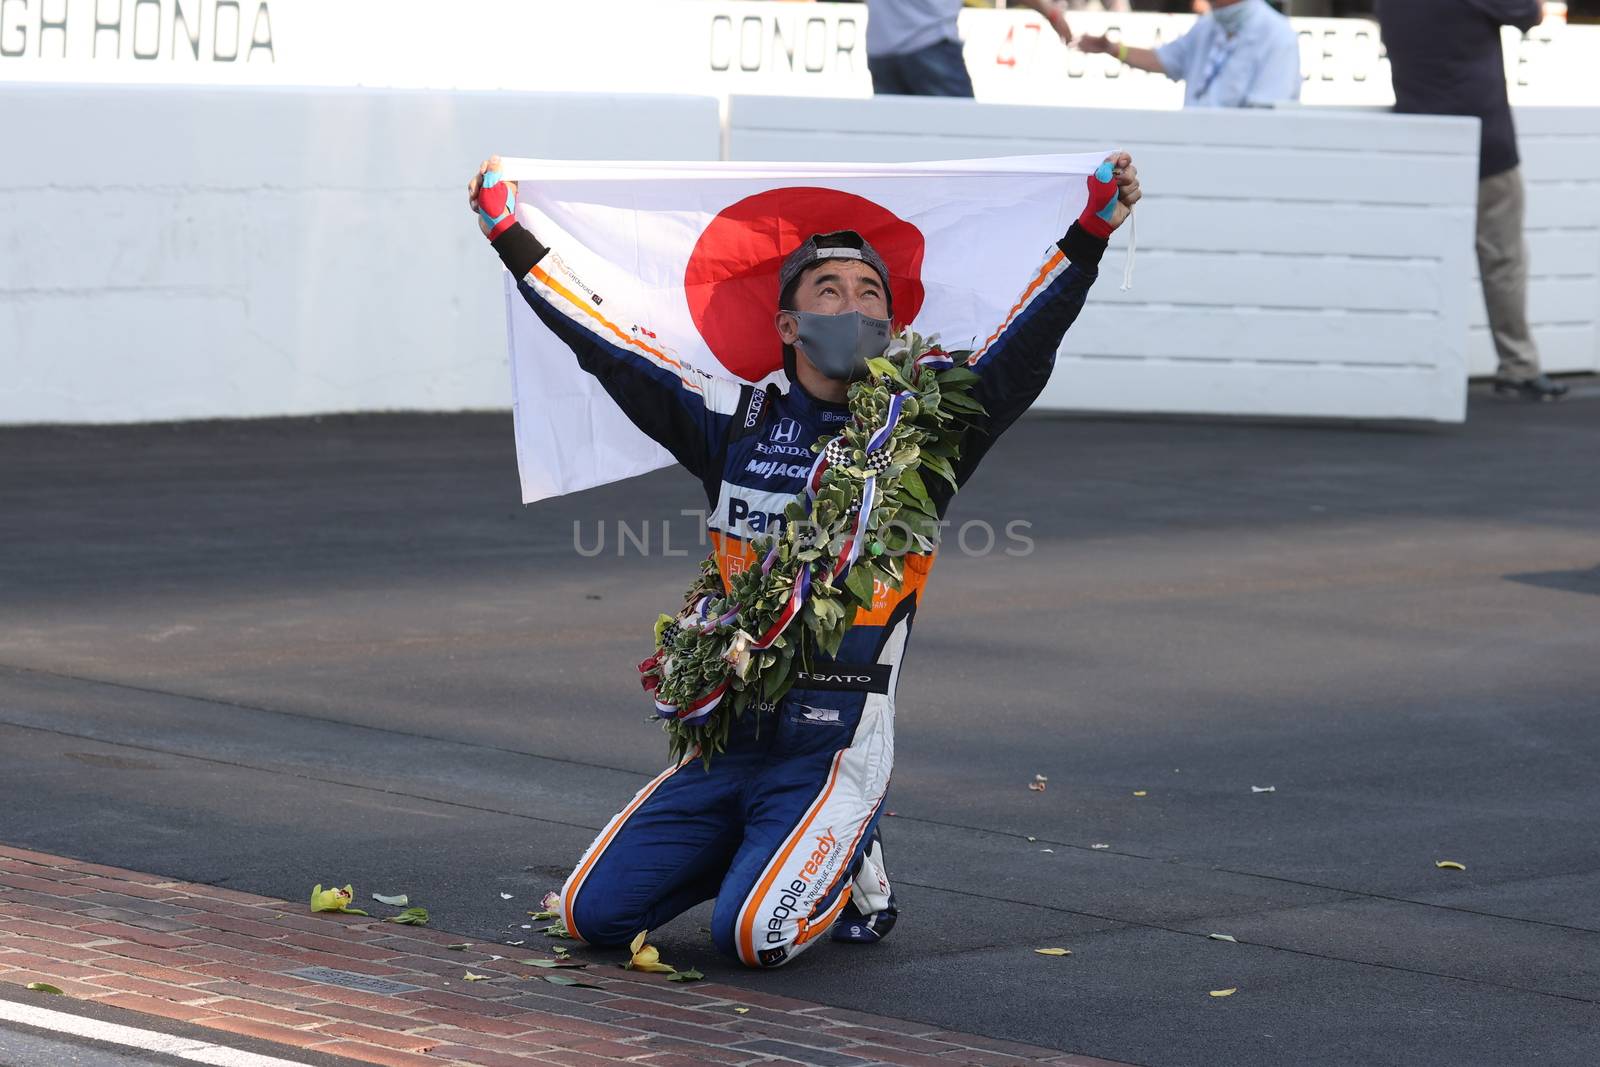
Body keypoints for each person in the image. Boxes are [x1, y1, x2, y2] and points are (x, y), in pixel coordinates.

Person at [468, 152, 1140, 967]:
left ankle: (856, 862)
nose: (852, 308)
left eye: (870, 297)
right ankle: (775, 846)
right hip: (730, 733)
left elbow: (1022, 347)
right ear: (788, 325)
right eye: (830, 292)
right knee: (588, 917)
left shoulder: (924, 433)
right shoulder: (730, 418)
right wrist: (511, 237)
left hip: (839, 736)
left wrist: (1090, 234)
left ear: (891, 327)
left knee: (756, 937)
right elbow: (609, 347)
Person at [1377, 0, 1568, 401]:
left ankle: (1407, 364)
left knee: (1418, 260)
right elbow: (1529, 13)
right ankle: (1518, 366)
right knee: (1502, 259)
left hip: (1418, 136)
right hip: (1483, 136)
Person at [1075, 0, 1301, 107]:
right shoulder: (1209, 24)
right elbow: (1165, 59)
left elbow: (1267, 115)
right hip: (1197, 143)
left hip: (1244, 159)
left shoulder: (1277, 34)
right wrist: (1114, 49)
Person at [865, 0, 1077, 96]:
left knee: (899, 152)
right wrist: (1051, 12)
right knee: (962, 147)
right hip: (930, 43)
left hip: (881, 49)